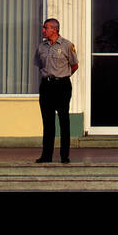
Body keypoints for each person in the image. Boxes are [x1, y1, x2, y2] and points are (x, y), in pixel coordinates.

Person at [34, 17, 78, 163]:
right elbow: (40, 65)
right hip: (46, 86)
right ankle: (46, 156)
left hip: (62, 86)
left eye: (45, 28)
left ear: (54, 29)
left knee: (64, 120)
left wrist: (62, 77)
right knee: (48, 122)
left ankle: (64, 156)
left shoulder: (67, 45)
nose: (43, 30)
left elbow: (74, 65)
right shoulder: (41, 47)